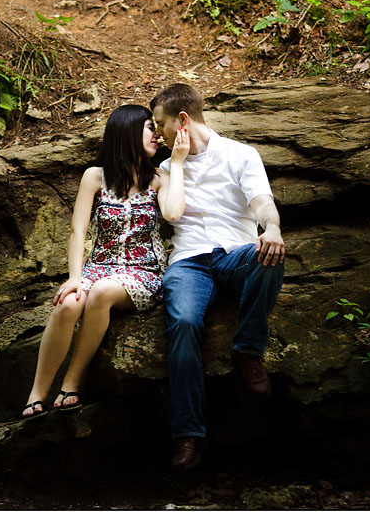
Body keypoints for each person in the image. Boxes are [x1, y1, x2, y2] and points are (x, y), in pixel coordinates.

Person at [21, 104, 189, 419]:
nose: (157, 135)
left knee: (100, 293)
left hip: (144, 273)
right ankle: (37, 393)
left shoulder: (159, 179)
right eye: (149, 128)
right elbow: (77, 229)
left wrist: (177, 163)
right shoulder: (94, 177)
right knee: (69, 303)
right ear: (127, 131)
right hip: (98, 268)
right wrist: (74, 277)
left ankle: (72, 383)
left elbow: (173, 213)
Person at [151, 84, 285, 471]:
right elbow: (172, 215)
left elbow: (262, 202)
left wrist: (272, 228)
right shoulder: (164, 168)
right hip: (189, 261)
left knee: (270, 255)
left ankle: (248, 350)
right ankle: (189, 434)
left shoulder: (241, 154)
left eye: (160, 125)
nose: (156, 134)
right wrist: (174, 164)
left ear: (182, 121)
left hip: (234, 254)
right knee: (184, 322)